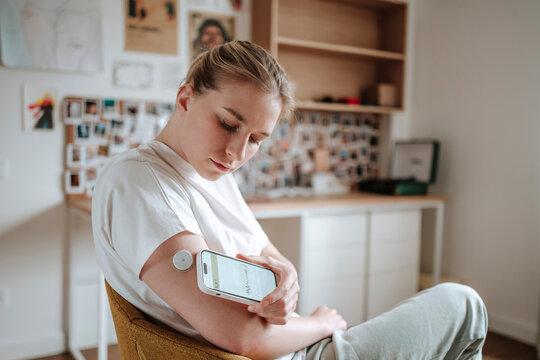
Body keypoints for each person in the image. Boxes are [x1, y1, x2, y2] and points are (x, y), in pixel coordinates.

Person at [92, 40, 488, 360]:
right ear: (184, 98)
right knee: (464, 305)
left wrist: (287, 278)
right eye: (228, 124)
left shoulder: (211, 170)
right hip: (298, 351)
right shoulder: (141, 185)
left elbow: (264, 250)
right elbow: (243, 336)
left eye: (255, 140)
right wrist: (323, 322)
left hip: (292, 343)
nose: (236, 152)